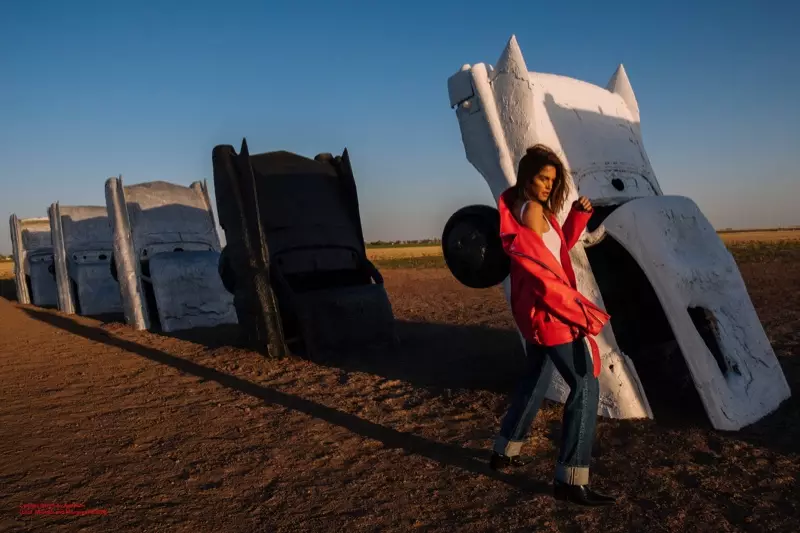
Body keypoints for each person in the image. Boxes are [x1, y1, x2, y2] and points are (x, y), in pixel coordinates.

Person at [489, 144, 616, 506]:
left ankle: (504, 451)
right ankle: (570, 478)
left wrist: (575, 218)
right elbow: (541, 273)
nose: (548, 185)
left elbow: (556, 251)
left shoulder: (534, 211)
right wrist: (578, 310)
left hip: (541, 312)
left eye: (553, 180)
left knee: (535, 378)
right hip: (551, 312)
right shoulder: (530, 211)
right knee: (586, 386)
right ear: (527, 176)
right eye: (543, 178)